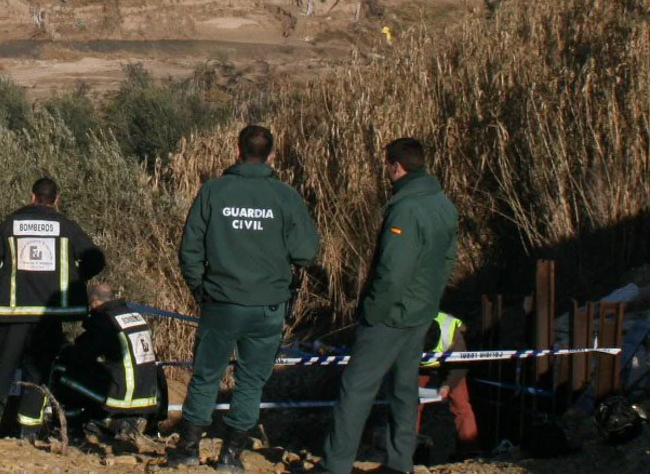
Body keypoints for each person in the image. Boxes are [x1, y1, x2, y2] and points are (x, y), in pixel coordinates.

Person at [170, 125, 319, 471]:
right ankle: (231, 455)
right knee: (251, 381)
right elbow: (306, 252)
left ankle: (188, 448)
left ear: (237, 152)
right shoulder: (285, 197)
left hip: (221, 303)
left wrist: (201, 291)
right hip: (267, 306)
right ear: (271, 155)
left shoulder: (214, 191)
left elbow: (189, 250)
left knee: (206, 376)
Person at [319, 138, 459, 474]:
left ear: (396, 166)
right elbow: (448, 260)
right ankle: (400, 462)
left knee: (356, 388)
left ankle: (336, 465)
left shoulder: (405, 208)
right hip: (420, 314)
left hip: (391, 316)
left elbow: (391, 273)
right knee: (404, 390)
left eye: (387, 165)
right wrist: (429, 303)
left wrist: (373, 312)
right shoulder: (442, 204)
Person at [0, 177, 106, 440]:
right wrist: (75, 279)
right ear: (56, 199)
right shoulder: (65, 227)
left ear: (32, 196)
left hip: (13, 314)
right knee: (39, 371)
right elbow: (96, 259)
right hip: (49, 316)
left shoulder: (10, 224)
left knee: (2, 369)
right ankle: (29, 431)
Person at [54, 282, 160, 440]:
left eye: (90, 305)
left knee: (65, 376)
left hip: (124, 396)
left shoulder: (105, 320)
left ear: (95, 302)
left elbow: (82, 354)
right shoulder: (132, 314)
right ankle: (120, 421)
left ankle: (73, 428)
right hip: (147, 395)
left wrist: (63, 348)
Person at [417, 312, 481, 458]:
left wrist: (447, 385)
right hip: (418, 366)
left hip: (451, 362)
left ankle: (470, 450)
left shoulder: (451, 332)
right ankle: (407, 447)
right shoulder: (405, 331)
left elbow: (460, 365)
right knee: (409, 403)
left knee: (461, 404)